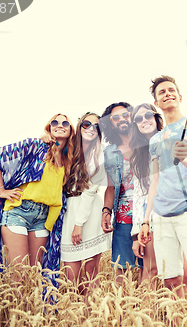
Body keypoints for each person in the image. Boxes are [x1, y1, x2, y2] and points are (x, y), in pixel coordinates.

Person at [139, 75, 187, 299]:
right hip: (162, 216)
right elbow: (155, 182)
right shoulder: (155, 140)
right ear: (156, 104)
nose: (167, 94)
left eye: (171, 90)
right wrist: (146, 220)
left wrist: (184, 158)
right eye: (162, 92)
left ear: (180, 97)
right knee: (171, 281)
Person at [0, 113, 74, 280]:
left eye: (65, 123)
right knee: (18, 274)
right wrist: (0, 190)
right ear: (49, 128)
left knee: (34, 276)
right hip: (18, 212)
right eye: (55, 122)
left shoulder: (68, 159)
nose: (60, 125)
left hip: (43, 218)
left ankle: (31, 307)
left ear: (71, 130)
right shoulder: (36, 145)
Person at [129, 103, 187, 291]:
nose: (144, 120)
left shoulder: (171, 140)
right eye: (138, 118)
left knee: (182, 273)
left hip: (176, 213)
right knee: (151, 271)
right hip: (151, 219)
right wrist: (137, 231)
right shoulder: (138, 155)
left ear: (156, 117)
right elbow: (138, 195)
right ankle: (148, 318)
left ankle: (177, 316)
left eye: (148, 115)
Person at [60, 113, 111, 296]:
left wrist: (78, 224)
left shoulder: (101, 156)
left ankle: (90, 317)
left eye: (96, 126)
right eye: (86, 124)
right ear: (80, 126)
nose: (91, 128)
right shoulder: (68, 151)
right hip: (68, 211)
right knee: (70, 276)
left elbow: (90, 192)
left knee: (91, 273)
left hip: (88, 213)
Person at [100, 102, 143, 284]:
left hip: (148, 214)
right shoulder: (109, 153)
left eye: (125, 115)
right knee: (122, 269)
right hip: (123, 218)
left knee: (148, 268)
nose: (121, 119)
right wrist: (106, 211)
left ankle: (147, 310)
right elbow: (111, 187)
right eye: (115, 117)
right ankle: (122, 313)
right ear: (110, 124)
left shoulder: (147, 142)